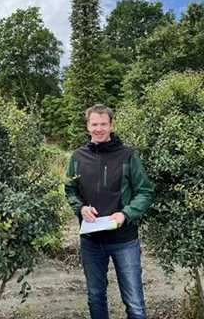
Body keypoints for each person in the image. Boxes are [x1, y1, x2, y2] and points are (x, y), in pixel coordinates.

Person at [65, 104, 155, 319]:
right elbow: (70, 189)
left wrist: (126, 214)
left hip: (124, 240)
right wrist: (80, 208)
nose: (99, 128)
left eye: (103, 124)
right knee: (95, 297)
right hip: (91, 241)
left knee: (134, 303)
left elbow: (145, 191)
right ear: (88, 126)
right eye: (94, 124)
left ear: (111, 125)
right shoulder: (77, 157)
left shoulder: (127, 155)